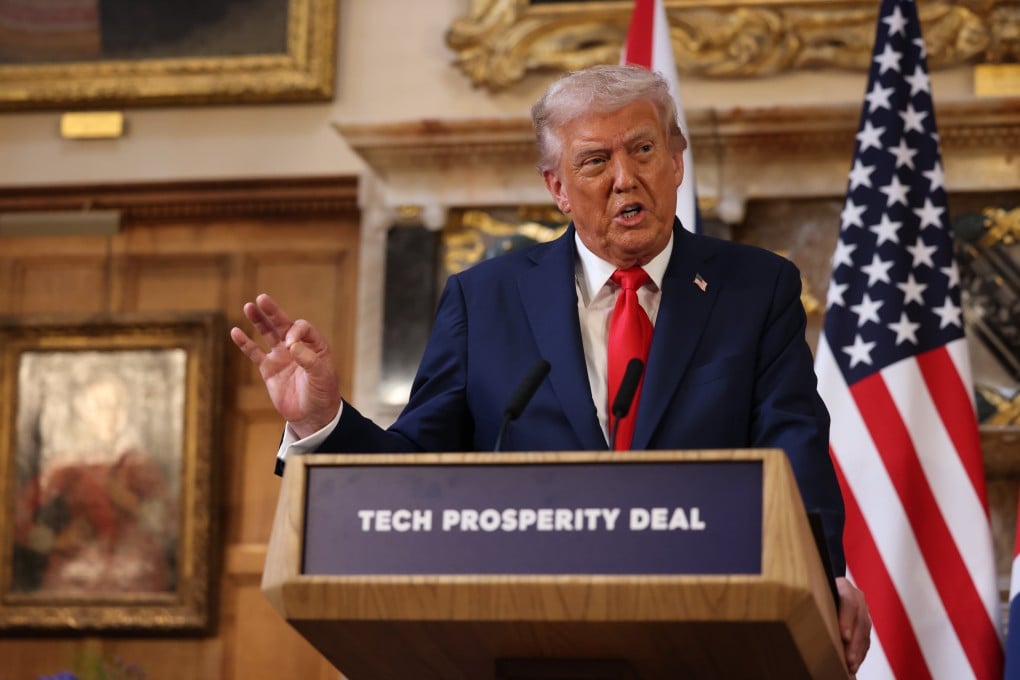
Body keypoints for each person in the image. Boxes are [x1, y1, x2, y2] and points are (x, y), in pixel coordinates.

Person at [232, 64, 871, 673]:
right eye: (595, 161)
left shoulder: (755, 288)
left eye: (643, 150)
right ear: (558, 188)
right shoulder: (485, 300)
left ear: (677, 161)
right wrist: (322, 421)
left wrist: (824, 574)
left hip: (713, 638)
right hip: (528, 643)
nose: (624, 178)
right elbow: (416, 474)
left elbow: (793, 445)